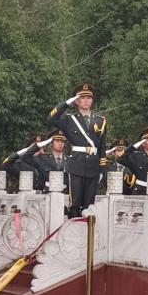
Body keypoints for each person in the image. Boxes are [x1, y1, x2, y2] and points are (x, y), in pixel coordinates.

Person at [48, 83, 107, 217]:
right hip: (76, 164)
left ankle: (88, 235)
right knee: (75, 203)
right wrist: (67, 102)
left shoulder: (100, 121)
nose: (86, 100)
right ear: (77, 101)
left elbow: (102, 146)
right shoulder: (69, 119)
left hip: (93, 165)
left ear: (92, 100)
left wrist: (102, 168)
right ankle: (72, 232)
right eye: (82, 98)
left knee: (89, 204)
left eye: (88, 98)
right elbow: (51, 118)